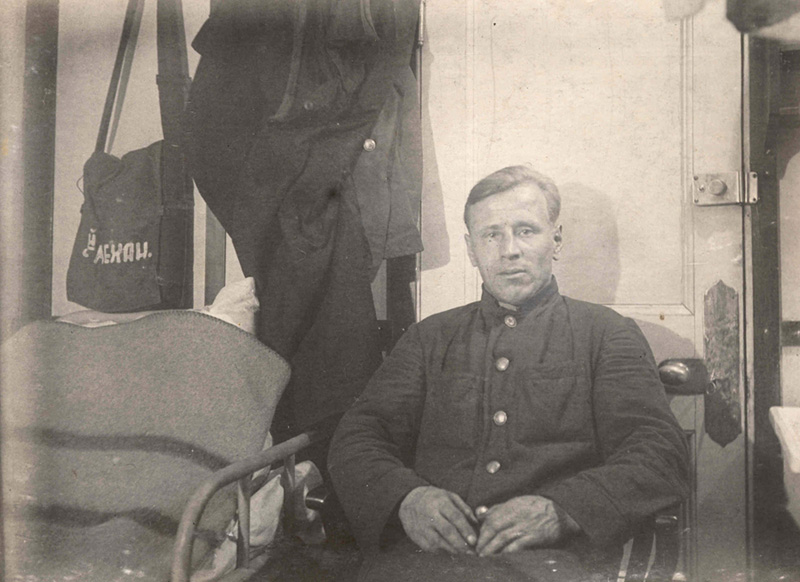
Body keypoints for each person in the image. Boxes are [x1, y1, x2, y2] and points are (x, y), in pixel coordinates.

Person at [327, 165, 690, 580]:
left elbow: (658, 451)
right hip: (422, 563)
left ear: (556, 240)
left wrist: (564, 510)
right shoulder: (429, 337)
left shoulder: (606, 334)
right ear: (471, 250)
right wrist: (407, 498)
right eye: (491, 235)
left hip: (553, 564)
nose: (509, 250)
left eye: (526, 231)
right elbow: (358, 437)